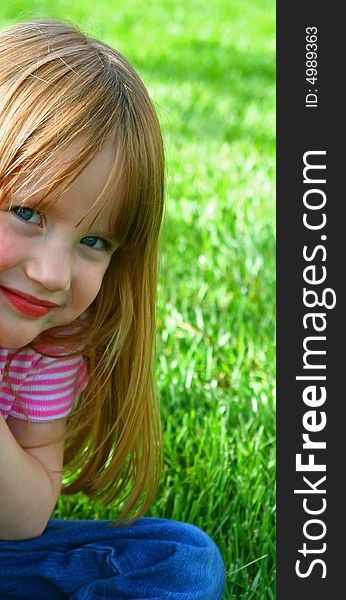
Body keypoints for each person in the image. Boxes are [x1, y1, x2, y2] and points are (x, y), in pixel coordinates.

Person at [0, 18, 225, 600]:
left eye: (93, 242)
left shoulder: (48, 347)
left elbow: (23, 521)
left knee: (179, 559)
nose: (51, 273)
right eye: (28, 212)